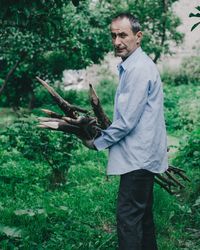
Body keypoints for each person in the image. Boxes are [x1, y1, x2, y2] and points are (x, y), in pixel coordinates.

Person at [86, 13, 168, 250]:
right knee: (142, 219)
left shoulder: (138, 69)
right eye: (113, 36)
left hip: (138, 158)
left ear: (138, 37)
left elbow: (126, 122)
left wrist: (97, 142)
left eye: (123, 35)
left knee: (128, 220)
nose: (116, 41)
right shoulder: (133, 66)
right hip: (142, 156)